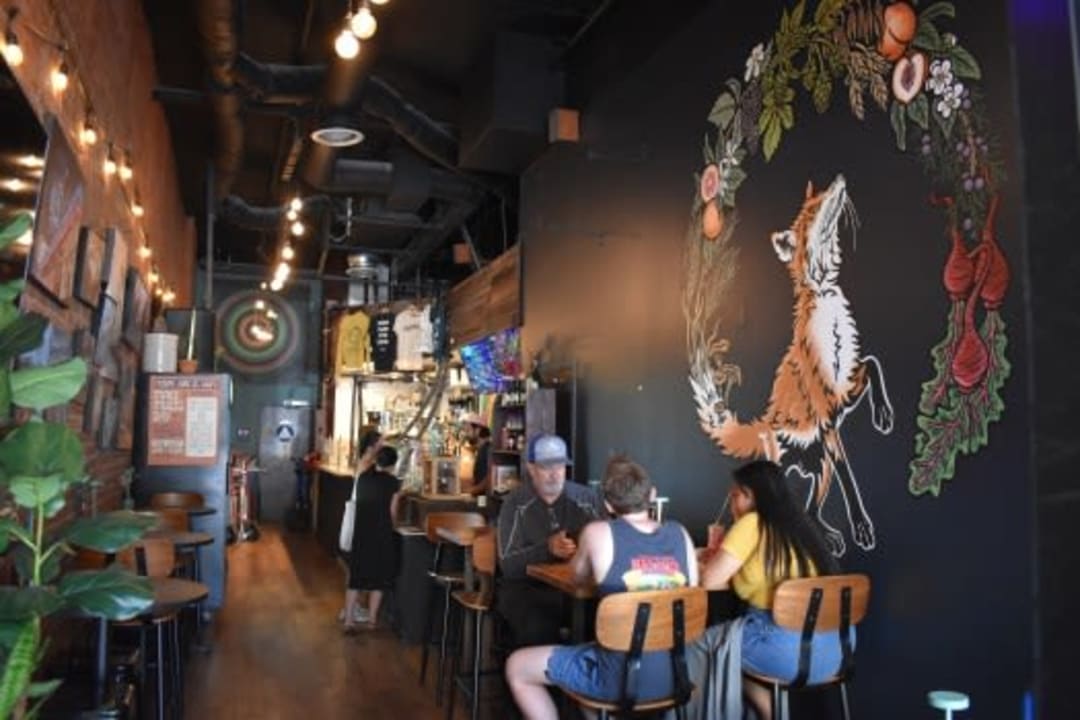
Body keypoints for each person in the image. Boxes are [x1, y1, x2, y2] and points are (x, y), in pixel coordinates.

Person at [505, 455, 698, 719]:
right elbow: (691, 591)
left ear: (607, 504)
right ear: (652, 494)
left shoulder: (598, 533)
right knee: (593, 655)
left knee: (517, 667)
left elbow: (577, 576)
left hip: (616, 681)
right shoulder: (681, 534)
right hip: (675, 675)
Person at [700, 460, 844, 719]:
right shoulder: (803, 525)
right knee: (736, 655)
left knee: (706, 644)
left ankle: (774, 714)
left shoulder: (751, 523)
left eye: (735, 496)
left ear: (750, 495)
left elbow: (709, 580)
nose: (732, 504)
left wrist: (709, 561)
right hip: (836, 650)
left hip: (787, 652)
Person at [496, 433, 603, 647]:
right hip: (526, 588)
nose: (554, 474)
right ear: (531, 468)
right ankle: (535, 668)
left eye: (560, 466)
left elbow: (607, 544)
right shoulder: (515, 504)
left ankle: (586, 669)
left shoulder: (586, 499)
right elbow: (507, 565)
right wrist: (548, 549)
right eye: (546, 467)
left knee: (609, 615)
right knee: (538, 624)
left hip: (578, 586)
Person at [343, 437, 403, 634]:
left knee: (356, 577)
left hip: (361, 533)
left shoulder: (362, 477)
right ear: (392, 465)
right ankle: (371, 621)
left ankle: (349, 621)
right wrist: (395, 527)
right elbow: (392, 512)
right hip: (381, 534)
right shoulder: (393, 483)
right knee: (380, 578)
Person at [462, 413, 492, 496]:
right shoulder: (481, 449)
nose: (466, 435)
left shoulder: (487, 449)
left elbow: (491, 476)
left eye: (468, 431)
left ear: (478, 430)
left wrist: (473, 490)